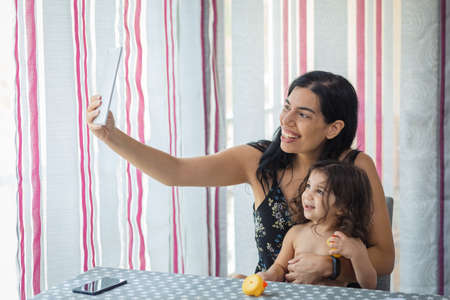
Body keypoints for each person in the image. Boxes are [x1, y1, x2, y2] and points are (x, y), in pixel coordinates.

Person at [87, 70, 394, 285]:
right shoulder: (257, 160)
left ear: (334, 128)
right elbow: (174, 172)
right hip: (267, 291)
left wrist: (332, 267)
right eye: (287, 107)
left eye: (303, 114)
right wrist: (110, 135)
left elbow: (383, 256)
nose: (286, 120)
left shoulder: (356, 167)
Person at [257, 160, 376, 289]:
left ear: (343, 207)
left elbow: (369, 285)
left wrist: (358, 254)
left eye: (319, 191)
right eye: (308, 186)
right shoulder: (296, 233)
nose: (308, 194)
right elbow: (280, 267)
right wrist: (271, 274)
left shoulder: (346, 241)